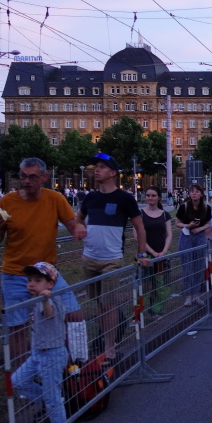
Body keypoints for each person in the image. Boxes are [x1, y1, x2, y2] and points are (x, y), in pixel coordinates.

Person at [0, 158, 87, 366]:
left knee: (74, 315)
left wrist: (78, 228)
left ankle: (74, 367)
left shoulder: (55, 199)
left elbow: (73, 225)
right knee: (17, 329)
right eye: (23, 176)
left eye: (33, 177)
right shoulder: (7, 202)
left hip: (47, 274)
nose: (26, 181)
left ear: (44, 177)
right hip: (14, 274)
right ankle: (25, 378)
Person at [77, 153, 150, 365]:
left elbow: (139, 227)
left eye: (101, 166)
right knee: (98, 304)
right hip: (89, 259)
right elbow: (78, 219)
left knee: (108, 304)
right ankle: (109, 337)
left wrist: (141, 254)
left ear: (112, 173)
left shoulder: (124, 198)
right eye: (96, 166)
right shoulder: (90, 197)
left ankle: (110, 348)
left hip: (111, 260)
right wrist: (78, 227)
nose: (96, 170)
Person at [11, 262, 73, 423]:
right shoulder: (37, 300)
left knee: (52, 395)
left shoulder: (50, 300)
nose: (31, 284)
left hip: (52, 355)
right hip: (37, 354)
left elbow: (49, 314)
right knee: (18, 381)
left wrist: (45, 299)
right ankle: (52, 402)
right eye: (29, 280)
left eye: (37, 281)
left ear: (50, 284)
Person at [136, 186, 172, 316]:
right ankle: (138, 314)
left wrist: (164, 251)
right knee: (143, 286)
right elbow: (137, 237)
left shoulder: (165, 215)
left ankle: (156, 310)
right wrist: (152, 251)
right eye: (148, 195)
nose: (150, 198)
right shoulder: (139, 215)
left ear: (159, 198)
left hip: (162, 256)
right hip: (146, 256)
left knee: (161, 285)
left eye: (153, 195)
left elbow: (169, 234)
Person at [174, 184, 212, 306]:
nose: (194, 193)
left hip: (199, 237)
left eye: (197, 191)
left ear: (201, 194)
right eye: (192, 192)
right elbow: (177, 223)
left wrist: (199, 229)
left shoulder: (206, 208)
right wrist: (187, 226)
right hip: (186, 237)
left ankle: (196, 294)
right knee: (187, 267)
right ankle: (188, 296)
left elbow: (208, 223)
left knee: (199, 266)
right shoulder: (184, 207)